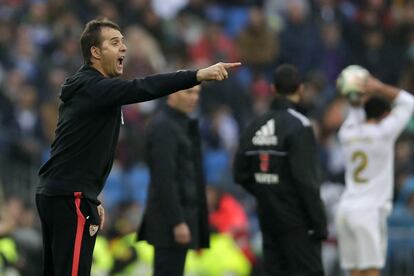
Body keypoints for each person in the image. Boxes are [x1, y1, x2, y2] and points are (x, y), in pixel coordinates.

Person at [35, 18, 240, 276]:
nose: (123, 48)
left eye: (123, 41)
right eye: (114, 42)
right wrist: (196, 75)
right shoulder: (94, 87)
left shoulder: (86, 89)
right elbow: (142, 87)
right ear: (95, 52)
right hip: (70, 195)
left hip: (62, 191)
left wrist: (91, 193)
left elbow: (68, 143)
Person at [233, 64, 327, 276]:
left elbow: (240, 174)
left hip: (268, 219)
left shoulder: (255, 125)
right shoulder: (300, 125)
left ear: (272, 89)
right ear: (300, 90)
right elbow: (306, 181)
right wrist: (319, 223)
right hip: (298, 223)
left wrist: (267, 192)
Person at [335, 75, 414, 276]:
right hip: (369, 211)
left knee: (354, 271)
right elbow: (408, 102)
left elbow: (354, 110)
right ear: (385, 115)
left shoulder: (347, 132)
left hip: (345, 209)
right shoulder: (383, 132)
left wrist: (352, 92)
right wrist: (378, 87)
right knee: (371, 270)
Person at [136, 84, 209, 276]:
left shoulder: (181, 123)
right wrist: (177, 221)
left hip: (181, 216)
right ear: (172, 93)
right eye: (188, 92)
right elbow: (164, 177)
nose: (194, 98)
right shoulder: (164, 127)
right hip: (169, 222)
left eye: (197, 93)